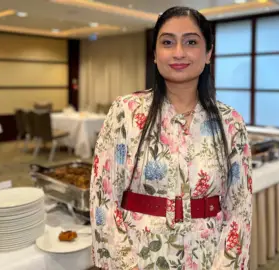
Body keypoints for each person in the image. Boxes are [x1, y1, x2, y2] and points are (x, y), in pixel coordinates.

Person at [90, 6, 253, 270]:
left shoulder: (230, 121)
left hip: (208, 257)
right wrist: (125, 264)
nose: (178, 52)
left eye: (190, 42)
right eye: (167, 42)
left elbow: (240, 208)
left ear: (208, 53)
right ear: (155, 54)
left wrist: (225, 265)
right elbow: (103, 197)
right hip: (138, 256)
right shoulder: (126, 112)